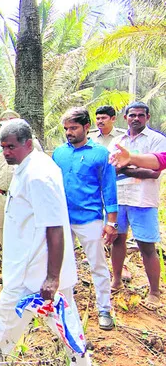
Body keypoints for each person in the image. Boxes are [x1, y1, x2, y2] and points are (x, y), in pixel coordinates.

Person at [0, 119, 90, 365]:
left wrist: (52, 277)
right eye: (2, 147)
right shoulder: (28, 165)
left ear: (27, 143)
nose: (6, 152)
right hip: (31, 268)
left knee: (6, 326)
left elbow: (55, 228)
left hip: (33, 275)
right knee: (67, 330)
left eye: (11, 147)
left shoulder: (38, 174)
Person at [53, 107, 117, 330]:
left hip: (90, 218)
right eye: (66, 129)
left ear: (86, 127)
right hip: (62, 219)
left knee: (97, 264)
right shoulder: (59, 153)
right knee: (61, 263)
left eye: (73, 128)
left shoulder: (100, 153)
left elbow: (109, 189)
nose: (69, 132)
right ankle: (65, 308)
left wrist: (111, 222)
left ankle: (104, 309)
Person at [108, 102, 166, 306]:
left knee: (146, 246)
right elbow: (110, 169)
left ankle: (154, 292)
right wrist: (129, 168)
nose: (136, 118)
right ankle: (116, 280)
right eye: (132, 115)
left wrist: (126, 169)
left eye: (141, 115)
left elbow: (155, 172)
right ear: (126, 117)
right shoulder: (117, 140)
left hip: (143, 200)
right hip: (119, 198)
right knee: (117, 240)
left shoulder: (157, 140)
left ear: (147, 118)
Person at [0, 109, 42, 242]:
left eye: (12, 121)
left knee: (24, 231)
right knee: (3, 230)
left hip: (23, 195)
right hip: (2, 194)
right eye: (4, 122)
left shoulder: (32, 144)